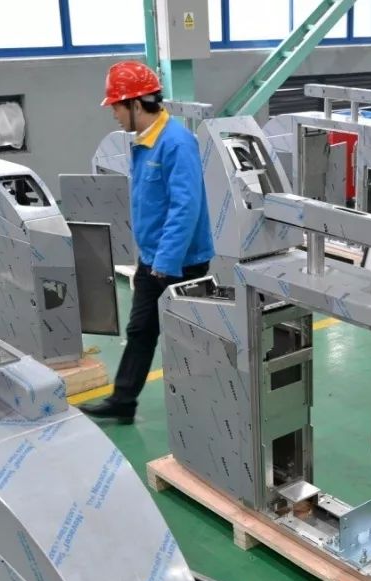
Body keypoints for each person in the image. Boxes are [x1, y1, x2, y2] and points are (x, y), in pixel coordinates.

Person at [80, 61, 213, 424]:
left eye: (116, 107)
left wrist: (166, 263)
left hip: (181, 262)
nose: (114, 115)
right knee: (140, 329)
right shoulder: (145, 142)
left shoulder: (176, 143)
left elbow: (185, 207)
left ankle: (205, 405)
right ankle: (123, 401)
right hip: (153, 259)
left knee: (187, 337)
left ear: (136, 104)